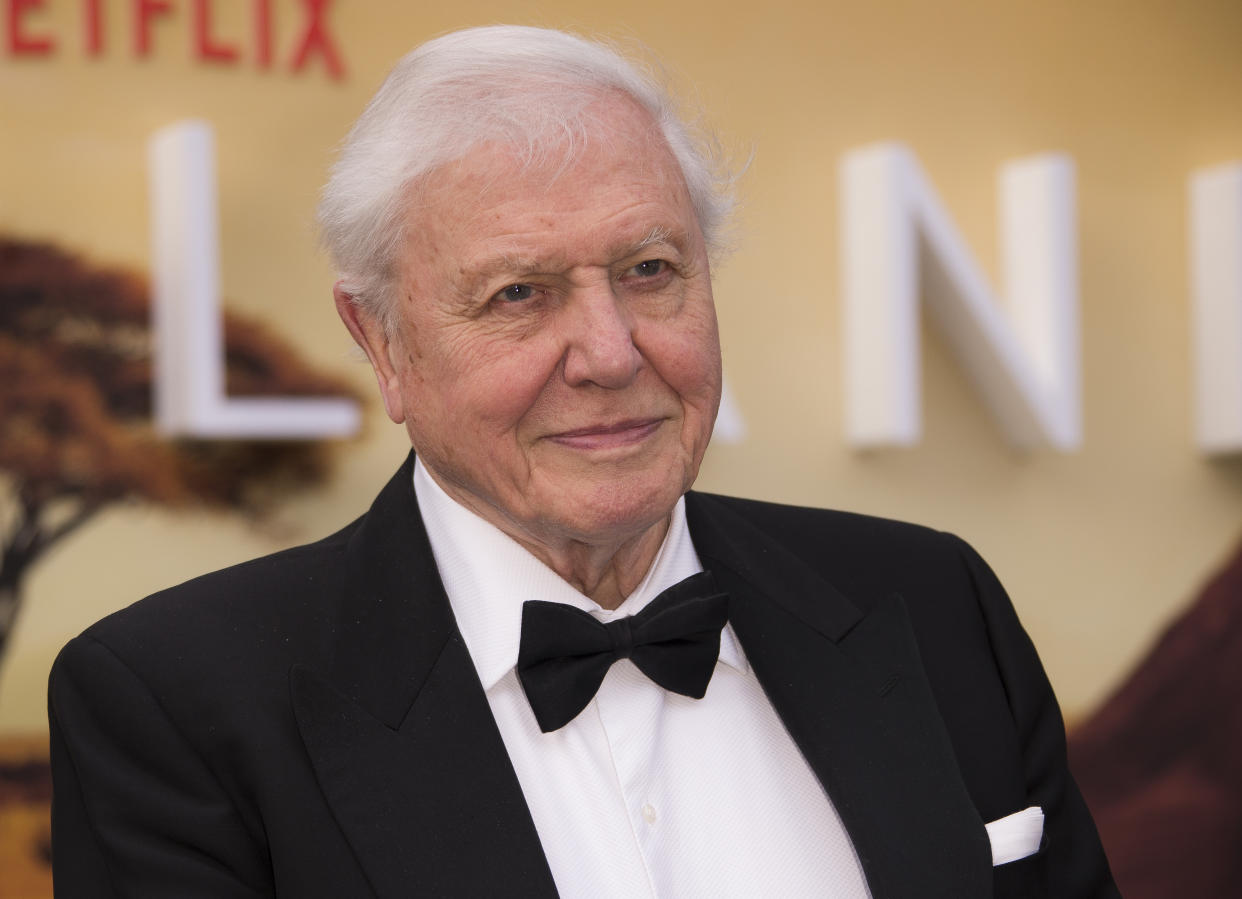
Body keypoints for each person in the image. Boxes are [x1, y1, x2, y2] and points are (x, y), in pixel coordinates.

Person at [48, 25, 1118, 898]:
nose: (611, 353)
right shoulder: (179, 705)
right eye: (518, 293)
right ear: (382, 342)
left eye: (651, 270)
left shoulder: (932, 603)